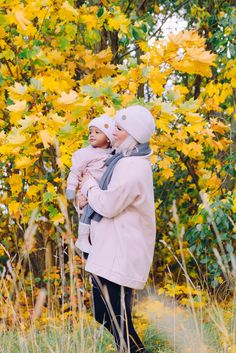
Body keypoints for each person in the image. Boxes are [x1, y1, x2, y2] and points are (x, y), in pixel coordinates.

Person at [79, 105, 156, 353]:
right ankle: (131, 350)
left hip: (121, 252)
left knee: (112, 315)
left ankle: (134, 351)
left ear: (131, 135)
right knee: (109, 315)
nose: (114, 131)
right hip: (111, 249)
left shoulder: (132, 167)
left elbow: (109, 204)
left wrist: (89, 186)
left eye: (120, 128)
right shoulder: (122, 161)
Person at [66, 114, 114, 254]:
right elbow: (75, 172)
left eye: (97, 132)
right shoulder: (85, 154)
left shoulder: (113, 153)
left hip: (102, 192)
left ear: (108, 137)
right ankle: (82, 238)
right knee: (88, 211)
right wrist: (71, 189)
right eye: (90, 132)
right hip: (88, 192)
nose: (92, 135)